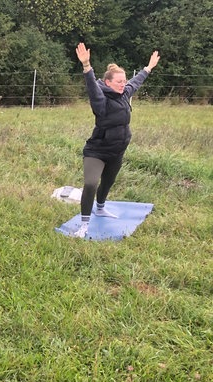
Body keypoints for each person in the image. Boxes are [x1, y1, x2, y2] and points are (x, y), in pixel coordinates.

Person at [73, 43, 160, 238]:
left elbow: (135, 82)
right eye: (119, 81)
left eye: (124, 80)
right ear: (108, 82)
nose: (123, 84)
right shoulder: (101, 99)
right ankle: (84, 225)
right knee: (91, 183)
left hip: (117, 150)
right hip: (97, 150)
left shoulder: (124, 94)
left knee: (108, 182)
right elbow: (92, 89)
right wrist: (86, 66)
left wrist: (148, 68)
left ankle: (101, 207)